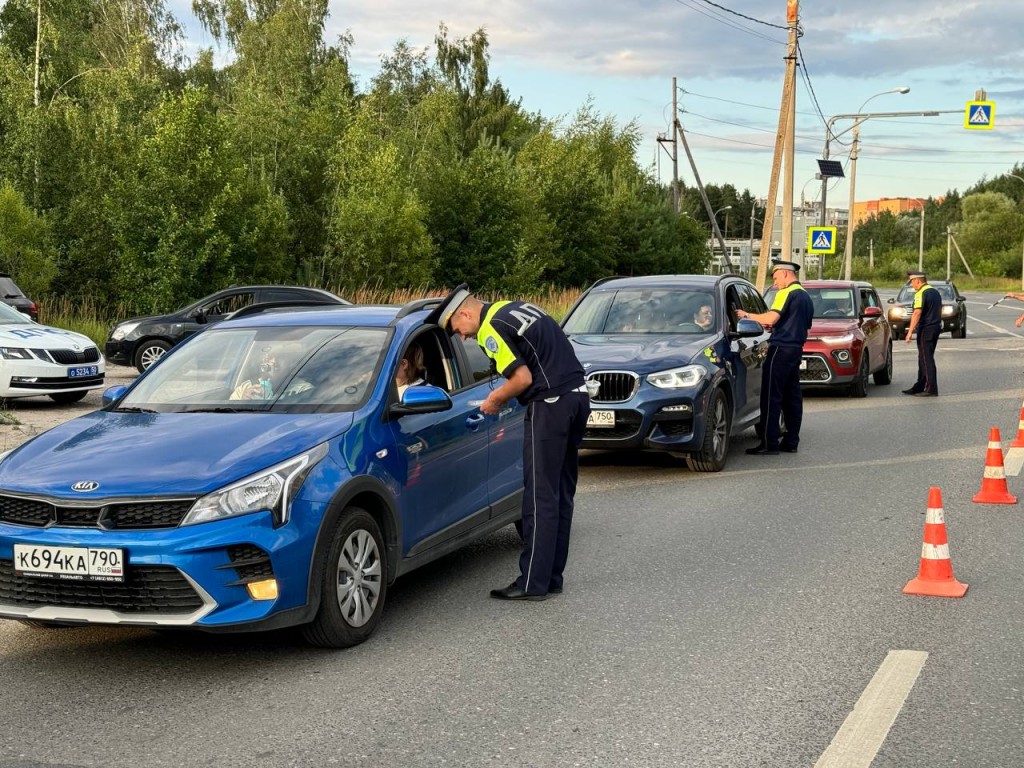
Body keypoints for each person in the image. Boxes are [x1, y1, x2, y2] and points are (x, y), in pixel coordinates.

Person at [440, 284, 590, 601]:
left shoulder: (489, 328)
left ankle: (532, 582)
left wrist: (493, 401)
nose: (464, 338)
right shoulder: (513, 307)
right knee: (561, 493)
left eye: (458, 329)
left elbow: (522, 378)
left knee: (539, 497)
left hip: (550, 406)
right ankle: (551, 578)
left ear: (465, 312)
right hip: (577, 398)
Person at [735, 260, 813, 455]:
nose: (775, 282)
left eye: (776, 277)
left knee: (771, 396)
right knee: (792, 396)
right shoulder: (805, 296)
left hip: (780, 349)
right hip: (796, 349)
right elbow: (804, 324)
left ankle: (769, 443)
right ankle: (791, 441)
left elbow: (770, 318)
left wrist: (746, 315)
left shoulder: (785, 293)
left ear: (786, 274)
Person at [901, 271, 941, 397]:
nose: (912, 284)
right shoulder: (935, 292)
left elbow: (917, 313)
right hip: (935, 327)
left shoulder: (920, 293)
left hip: (926, 329)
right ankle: (920, 385)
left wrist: (910, 332)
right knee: (923, 358)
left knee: (926, 358)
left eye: (912, 282)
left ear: (917, 281)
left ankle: (931, 388)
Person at [229, 347, 311, 401]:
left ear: (291, 363)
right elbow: (229, 417)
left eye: (280, 357)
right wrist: (244, 402)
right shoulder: (245, 388)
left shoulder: (304, 389)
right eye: (269, 358)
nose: (274, 362)